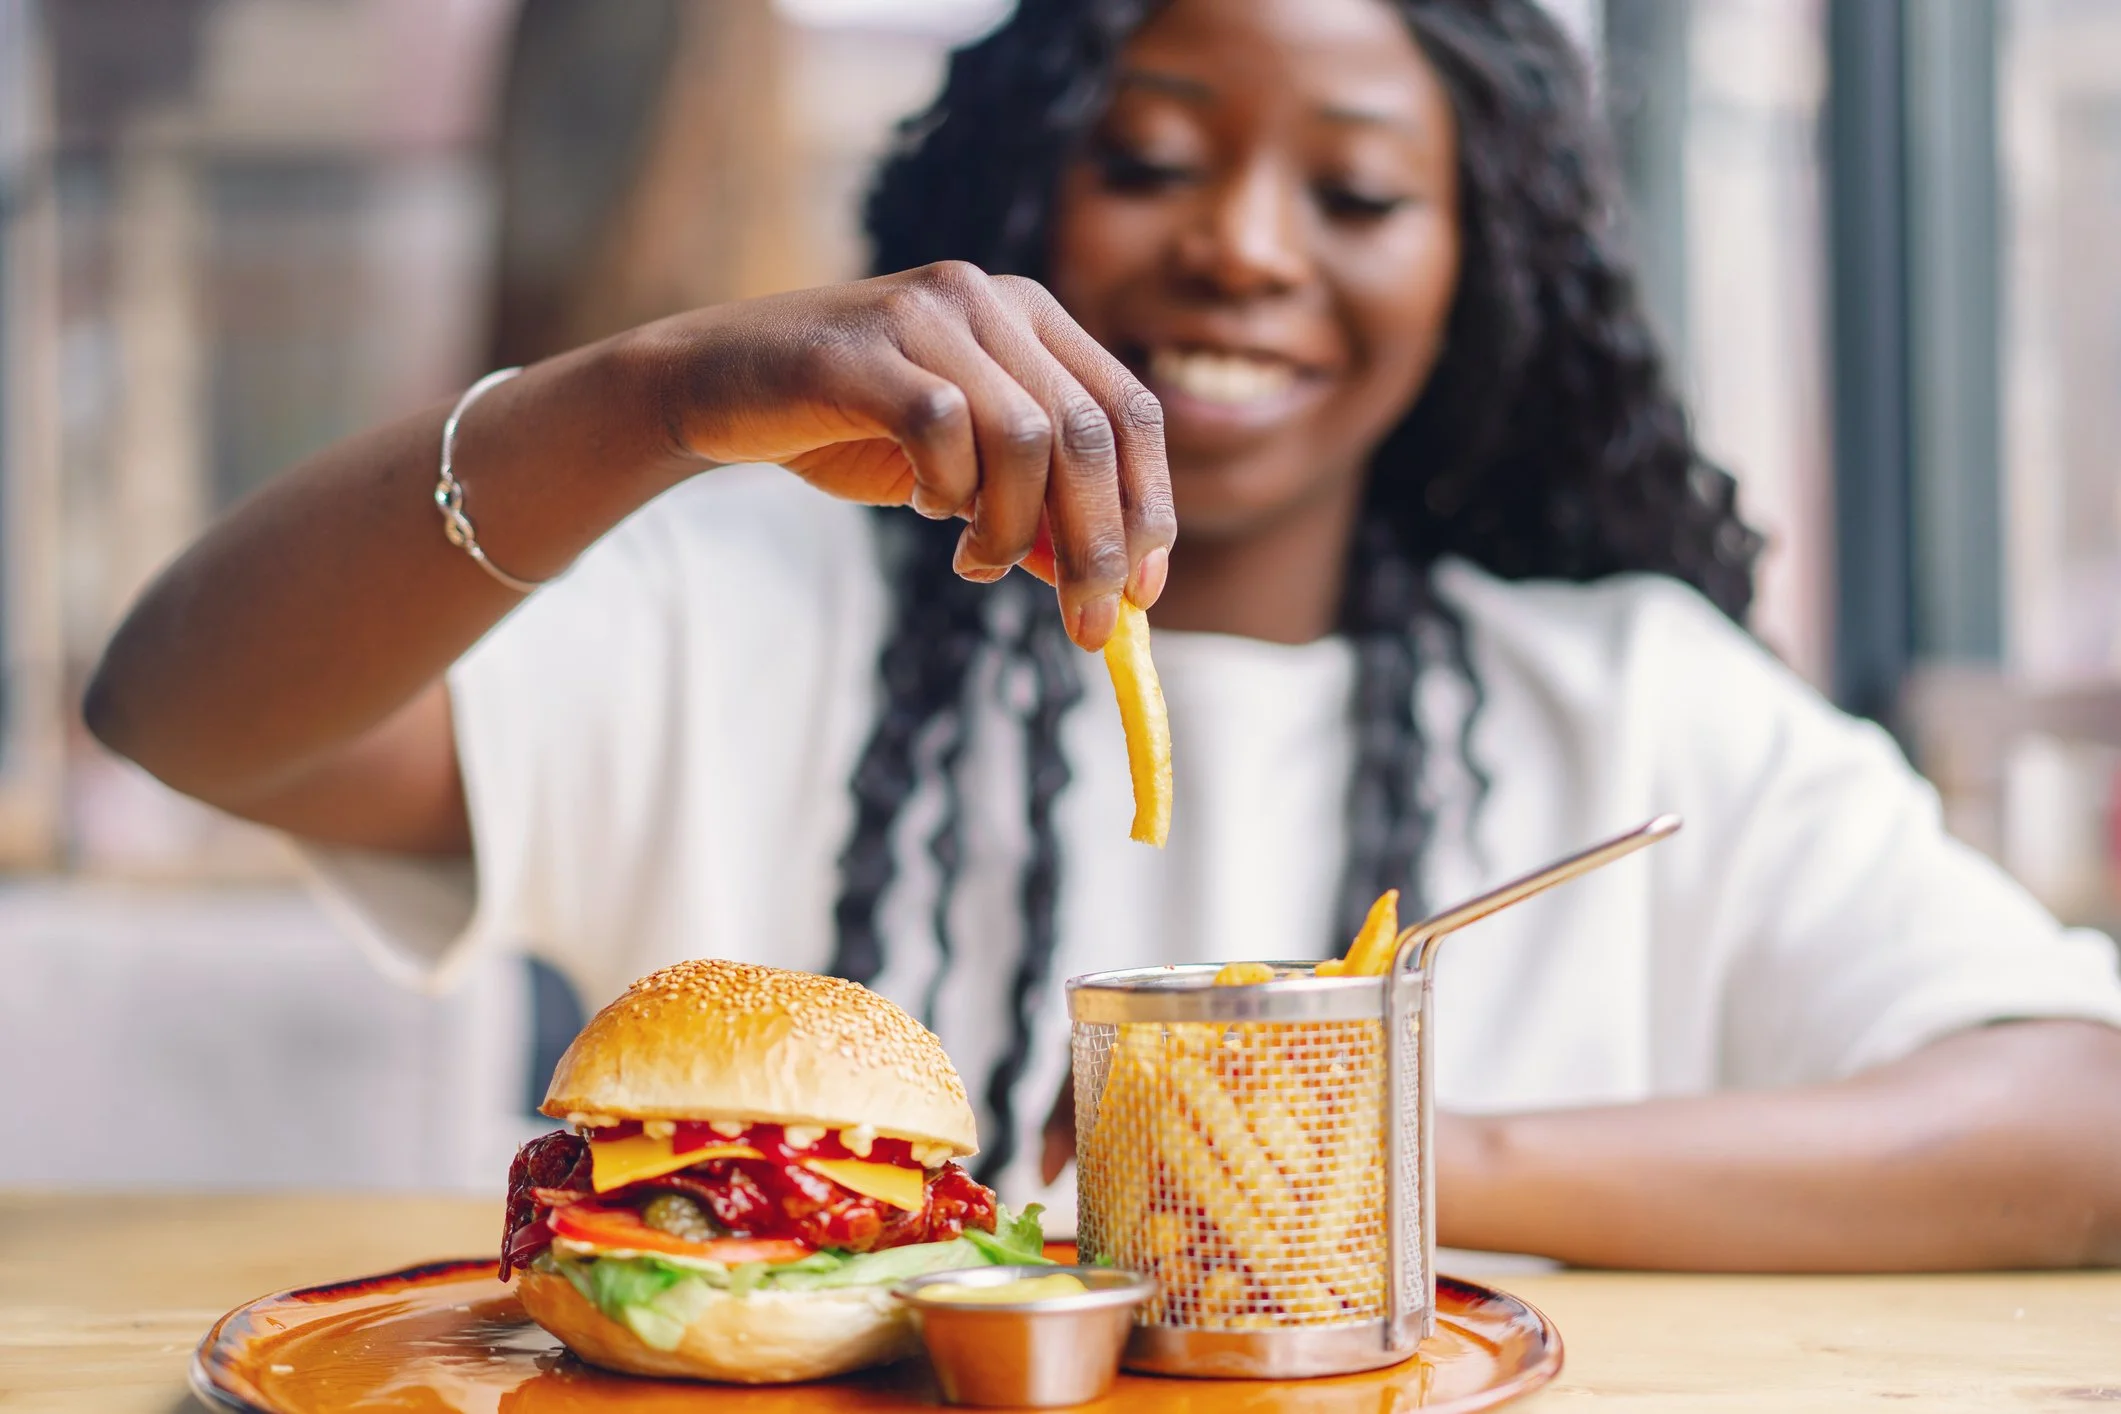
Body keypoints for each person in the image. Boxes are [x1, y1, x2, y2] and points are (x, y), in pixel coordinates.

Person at [86, 0, 2121, 1270]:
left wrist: (1374, 1136)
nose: (1240, 240)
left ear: (1476, 270)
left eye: (1355, 192)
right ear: (1021, 186)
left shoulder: (1627, 697)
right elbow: (180, 709)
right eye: (1150, 157)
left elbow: (2082, 1120)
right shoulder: (740, 607)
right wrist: (639, 402)